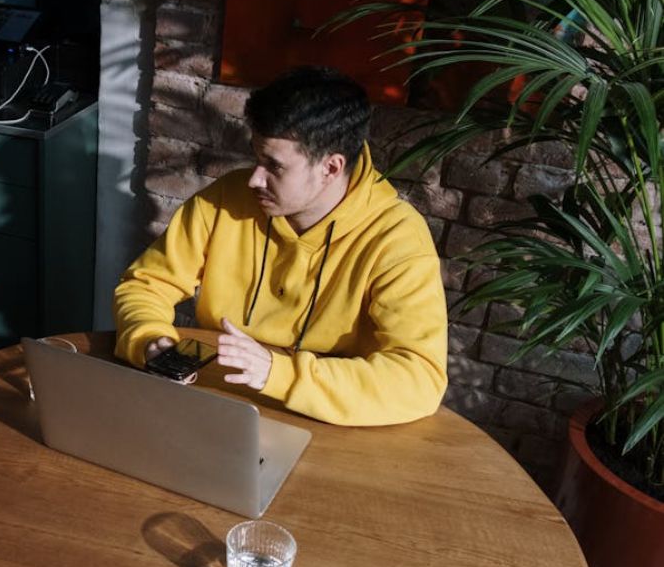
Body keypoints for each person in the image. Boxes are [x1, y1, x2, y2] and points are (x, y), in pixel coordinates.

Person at [114, 66, 447, 426]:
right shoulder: (225, 198)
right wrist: (148, 338)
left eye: (273, 165)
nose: (255, 178)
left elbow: (419, 378)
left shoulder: (397, 238)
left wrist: (280, 373)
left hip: (331, 422)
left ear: (331, 167)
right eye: (257, 158)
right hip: (217, 403)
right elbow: (146, 285)